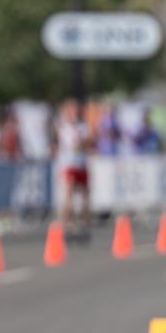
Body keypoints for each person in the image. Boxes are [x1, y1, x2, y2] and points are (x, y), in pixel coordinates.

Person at [57, 100, 93, 236]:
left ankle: (85, 224)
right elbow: (72, 145)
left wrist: (83, 142)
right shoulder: (64, 128)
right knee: (69, 195)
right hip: (70, 165)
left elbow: (88, 142)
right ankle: (67, 224)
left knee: (85, 195)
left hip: (82, 164)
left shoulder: (83, 127)